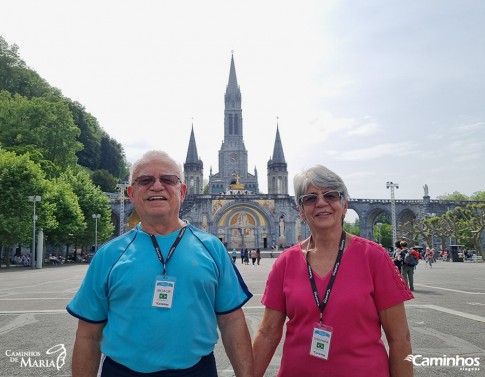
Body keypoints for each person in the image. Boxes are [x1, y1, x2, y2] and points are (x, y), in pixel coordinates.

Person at [67, 150, 254, 377]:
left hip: (197, 371)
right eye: (145, 180)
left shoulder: (213, 248)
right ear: (131, 193)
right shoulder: (108, 255)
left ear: (183, 191)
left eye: (168, 179)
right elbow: (89, 334)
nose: (157, 186)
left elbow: (232, 322)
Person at [252, 164, 414, 377]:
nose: (321, 202)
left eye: (331, 195)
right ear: (300, 211)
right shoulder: (285, 262)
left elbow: (400, 338)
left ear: (344, 205)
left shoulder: (374, 257)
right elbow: (267, 333)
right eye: (310, 198)